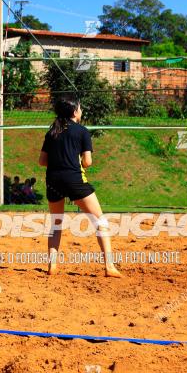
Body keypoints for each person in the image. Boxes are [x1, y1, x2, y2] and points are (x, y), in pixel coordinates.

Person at [39, 97, 121, 278]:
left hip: (53, 180)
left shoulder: (52, 131)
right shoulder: (82, 131)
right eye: (80, 109)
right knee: (101, 222)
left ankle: (52, 266)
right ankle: (109, 267)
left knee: (56, 224)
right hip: (74, 180)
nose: (81, 111)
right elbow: (88, 162)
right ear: (75, 112)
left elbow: (42, 161)